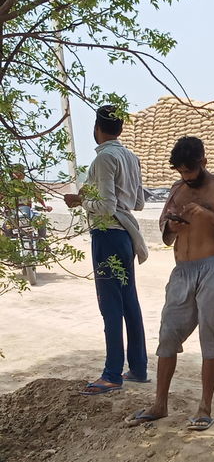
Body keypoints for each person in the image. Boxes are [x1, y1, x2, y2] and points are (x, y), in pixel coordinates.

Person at [133, 135, 214, 429]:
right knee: (168, 334)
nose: (186, 177)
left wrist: (209, 216)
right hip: (182, 271)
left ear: (203, 162)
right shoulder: (177, 190)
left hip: (212, 269)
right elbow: (165, 229)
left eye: (190, 170)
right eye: (181, 172)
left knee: (210, 338)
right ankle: (160, 403)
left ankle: (204, 407)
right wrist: (171, 225)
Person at [64, 105, 148, 395]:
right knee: (129, 302)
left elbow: (107, 206)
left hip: (107, 235)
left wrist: (81, 202)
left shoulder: (104, 159)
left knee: (110, 305)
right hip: (125, 235)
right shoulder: (130, 157)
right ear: (120, 129)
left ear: (97, 128)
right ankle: (138, 367)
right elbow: (137, 203)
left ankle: (112, 373)